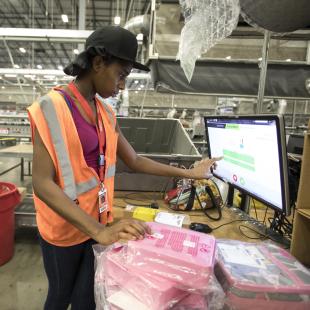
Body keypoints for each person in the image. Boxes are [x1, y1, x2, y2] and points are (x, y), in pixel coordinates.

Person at [27, 26, 220, 310]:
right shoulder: (50, 107)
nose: (122, 85)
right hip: (64, 229)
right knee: (59, 296)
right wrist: (100, 231)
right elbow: (41, 183)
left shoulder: (105, 112)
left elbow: (135, 160)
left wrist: (190, 173)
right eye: (121, 75)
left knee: (86, 298)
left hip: (96, 222)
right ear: (97, 63)